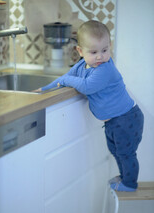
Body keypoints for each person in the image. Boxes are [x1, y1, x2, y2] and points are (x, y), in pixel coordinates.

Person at [34, 20, 144, 192]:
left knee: (125, 153)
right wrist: (45, 88)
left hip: (126, 117)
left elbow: (87, 86)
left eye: (105, 50)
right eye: (93, 52)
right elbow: (65, 78)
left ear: (110, 46)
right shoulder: (80, 66)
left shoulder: (105, 69)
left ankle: (130, 183)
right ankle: (124, 177)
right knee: (116, 151)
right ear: (80, 51)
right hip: (114, 122)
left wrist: (65, 80)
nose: (100, 56)